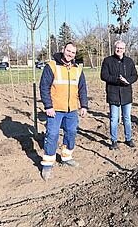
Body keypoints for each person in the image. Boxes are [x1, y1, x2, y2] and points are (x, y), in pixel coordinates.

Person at [39, 42, 88, 181]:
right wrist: (48, 106)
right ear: (63, 50)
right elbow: (44, 87)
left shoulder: (77, 69)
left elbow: (82, 88)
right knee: (52, 134)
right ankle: (47, 164)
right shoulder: (52, 66)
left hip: (72, 109)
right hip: (55, 109)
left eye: (73, 52)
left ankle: (66, 157)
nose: (70, 54)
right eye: (68, 51)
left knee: (71, 133)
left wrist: (83, 105)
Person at [101, 40, 138, 150]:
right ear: (114, 48)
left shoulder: (129, 61)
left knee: (127, 118)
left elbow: (135, 75)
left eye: (121, 48)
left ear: (124, 50)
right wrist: (117, 80)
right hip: (113, 94)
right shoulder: (107, 61)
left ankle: (128, 138)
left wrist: (128, 81)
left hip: (126, 94)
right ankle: (114, 140)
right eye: (117, 48)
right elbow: (103, 75)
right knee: (114, 119)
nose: (119, 50)